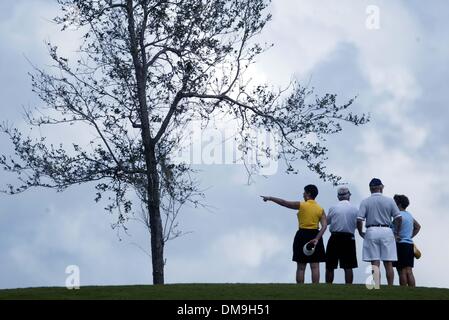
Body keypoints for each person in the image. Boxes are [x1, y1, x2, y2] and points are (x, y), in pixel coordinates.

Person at [261, 184, 327, 284]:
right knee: (315, 266)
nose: (303, 194)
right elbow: (324, 226)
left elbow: (284, 203)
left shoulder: (301, 205)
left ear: (308, 193)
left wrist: (270, 198)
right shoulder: (320, 209)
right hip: (315, 235)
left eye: (304, 192)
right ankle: (315, 289)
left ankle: (300, 289)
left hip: (302, 235)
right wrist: (317, 239)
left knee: (301, 267)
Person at [357, 178, 402, 286]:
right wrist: (396, 232)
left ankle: (377, 286)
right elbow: (399, 218)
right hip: (387, 231)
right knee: (388, 262)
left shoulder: (365, 201)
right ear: (381, 187)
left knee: (375, 262)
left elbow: (359, 219)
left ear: (370, 189)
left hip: (371, 231)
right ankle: (390, 286)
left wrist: (360, 232)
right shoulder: (390, 200)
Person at [325, 187, 359, 284]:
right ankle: (348, 287)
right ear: (349, 196)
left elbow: (326, 222)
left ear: (338, 197)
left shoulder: (333, 208)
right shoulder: (355, 209)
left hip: (335, 237)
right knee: (348, 266)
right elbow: (357, 224)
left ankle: (328, 286)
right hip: (349, 238)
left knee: (330, 265)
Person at [393, 194, 421, 287]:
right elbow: (418, 227)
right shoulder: (409, 215)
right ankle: (413, 290)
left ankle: (403, 291)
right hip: (409, 245)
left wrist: (396, 235)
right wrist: (409, 236)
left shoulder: (398, 216)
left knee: (401, 270)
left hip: (401, 245)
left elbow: (395, 230)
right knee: (409, 270)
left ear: (399, 204)